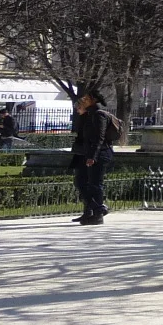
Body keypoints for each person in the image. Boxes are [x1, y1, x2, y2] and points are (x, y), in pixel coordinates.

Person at [69, 91, 116, 225]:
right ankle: (94, 211)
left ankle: (98, 213)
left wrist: (93, 156)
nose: (83, 100)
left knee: (95, 185)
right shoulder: (90, 114)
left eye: (86, 98)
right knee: (85, 182)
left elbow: (99, 138)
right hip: (89, 153)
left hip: (99, 154)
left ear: (92, 100)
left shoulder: (98, 114)